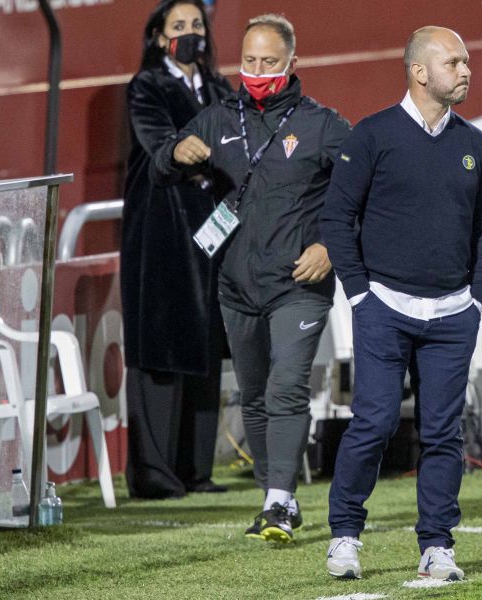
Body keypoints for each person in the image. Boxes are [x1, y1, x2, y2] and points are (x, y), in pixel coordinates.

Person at [152, 13, 351, 541]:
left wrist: (330, 246)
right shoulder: (219, 118)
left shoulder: (322, 124)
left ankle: (282, 500)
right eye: (249, 61)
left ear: (291, 62)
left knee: (287, 388)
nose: (257, 70)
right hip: (236, 285)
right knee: (255, 395)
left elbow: (367, 189)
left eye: (268, 61)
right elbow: (157, 166)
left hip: (298, 285)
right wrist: (175, 152)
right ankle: (274, 496)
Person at [319, 26, 482, 581]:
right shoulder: (371, 136)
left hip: (453, 315)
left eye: (467, 61)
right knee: (372, 423)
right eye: (454, 62)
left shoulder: (475, 144)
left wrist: (476, 298)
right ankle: (344, 536)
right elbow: (335, 219)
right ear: (420, 72)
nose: (466, 70)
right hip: (384, 308)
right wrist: (360, 293)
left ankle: (437, 545)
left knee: (443, 432)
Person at [121, 0, 232, 500]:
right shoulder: (147, 86)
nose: (190, 34)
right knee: (161, 348)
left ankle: (196, 470)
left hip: (212, 234)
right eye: (179, 26)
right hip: (161, 234)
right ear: (159, 36)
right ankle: (155, 473)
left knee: (206, 345)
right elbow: (159, 145)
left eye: (196, 25)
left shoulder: (217, 87)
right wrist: (187, 150)